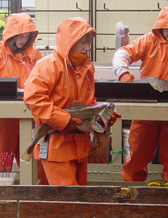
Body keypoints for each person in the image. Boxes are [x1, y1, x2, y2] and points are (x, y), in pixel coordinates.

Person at [23, 17, 120, 186]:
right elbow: (34, 99)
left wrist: (102, 119)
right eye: (82, 42)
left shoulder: (86, 68)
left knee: (77, 201)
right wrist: (65, 120)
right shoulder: (48, 65)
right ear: (70, 42)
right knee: (70, 204)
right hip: (56, 148)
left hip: (80, 150)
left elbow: (89, 104)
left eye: (88, 42)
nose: (87, 48)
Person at [113, 7, 168, 184]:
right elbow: (122, 53)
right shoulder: (149, 40)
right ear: (160, 28)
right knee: (137, 155)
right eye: (167, 28)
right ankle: (132, 191)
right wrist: (122, 73)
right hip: (147, 106)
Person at [0, 13, 44, 173]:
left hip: (28, 120)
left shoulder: (34, 55)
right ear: (12, 34)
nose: (23, 40)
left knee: (35, 168)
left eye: (27, 36)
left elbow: (47, 79)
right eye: (20, 36)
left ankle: (35, 197)